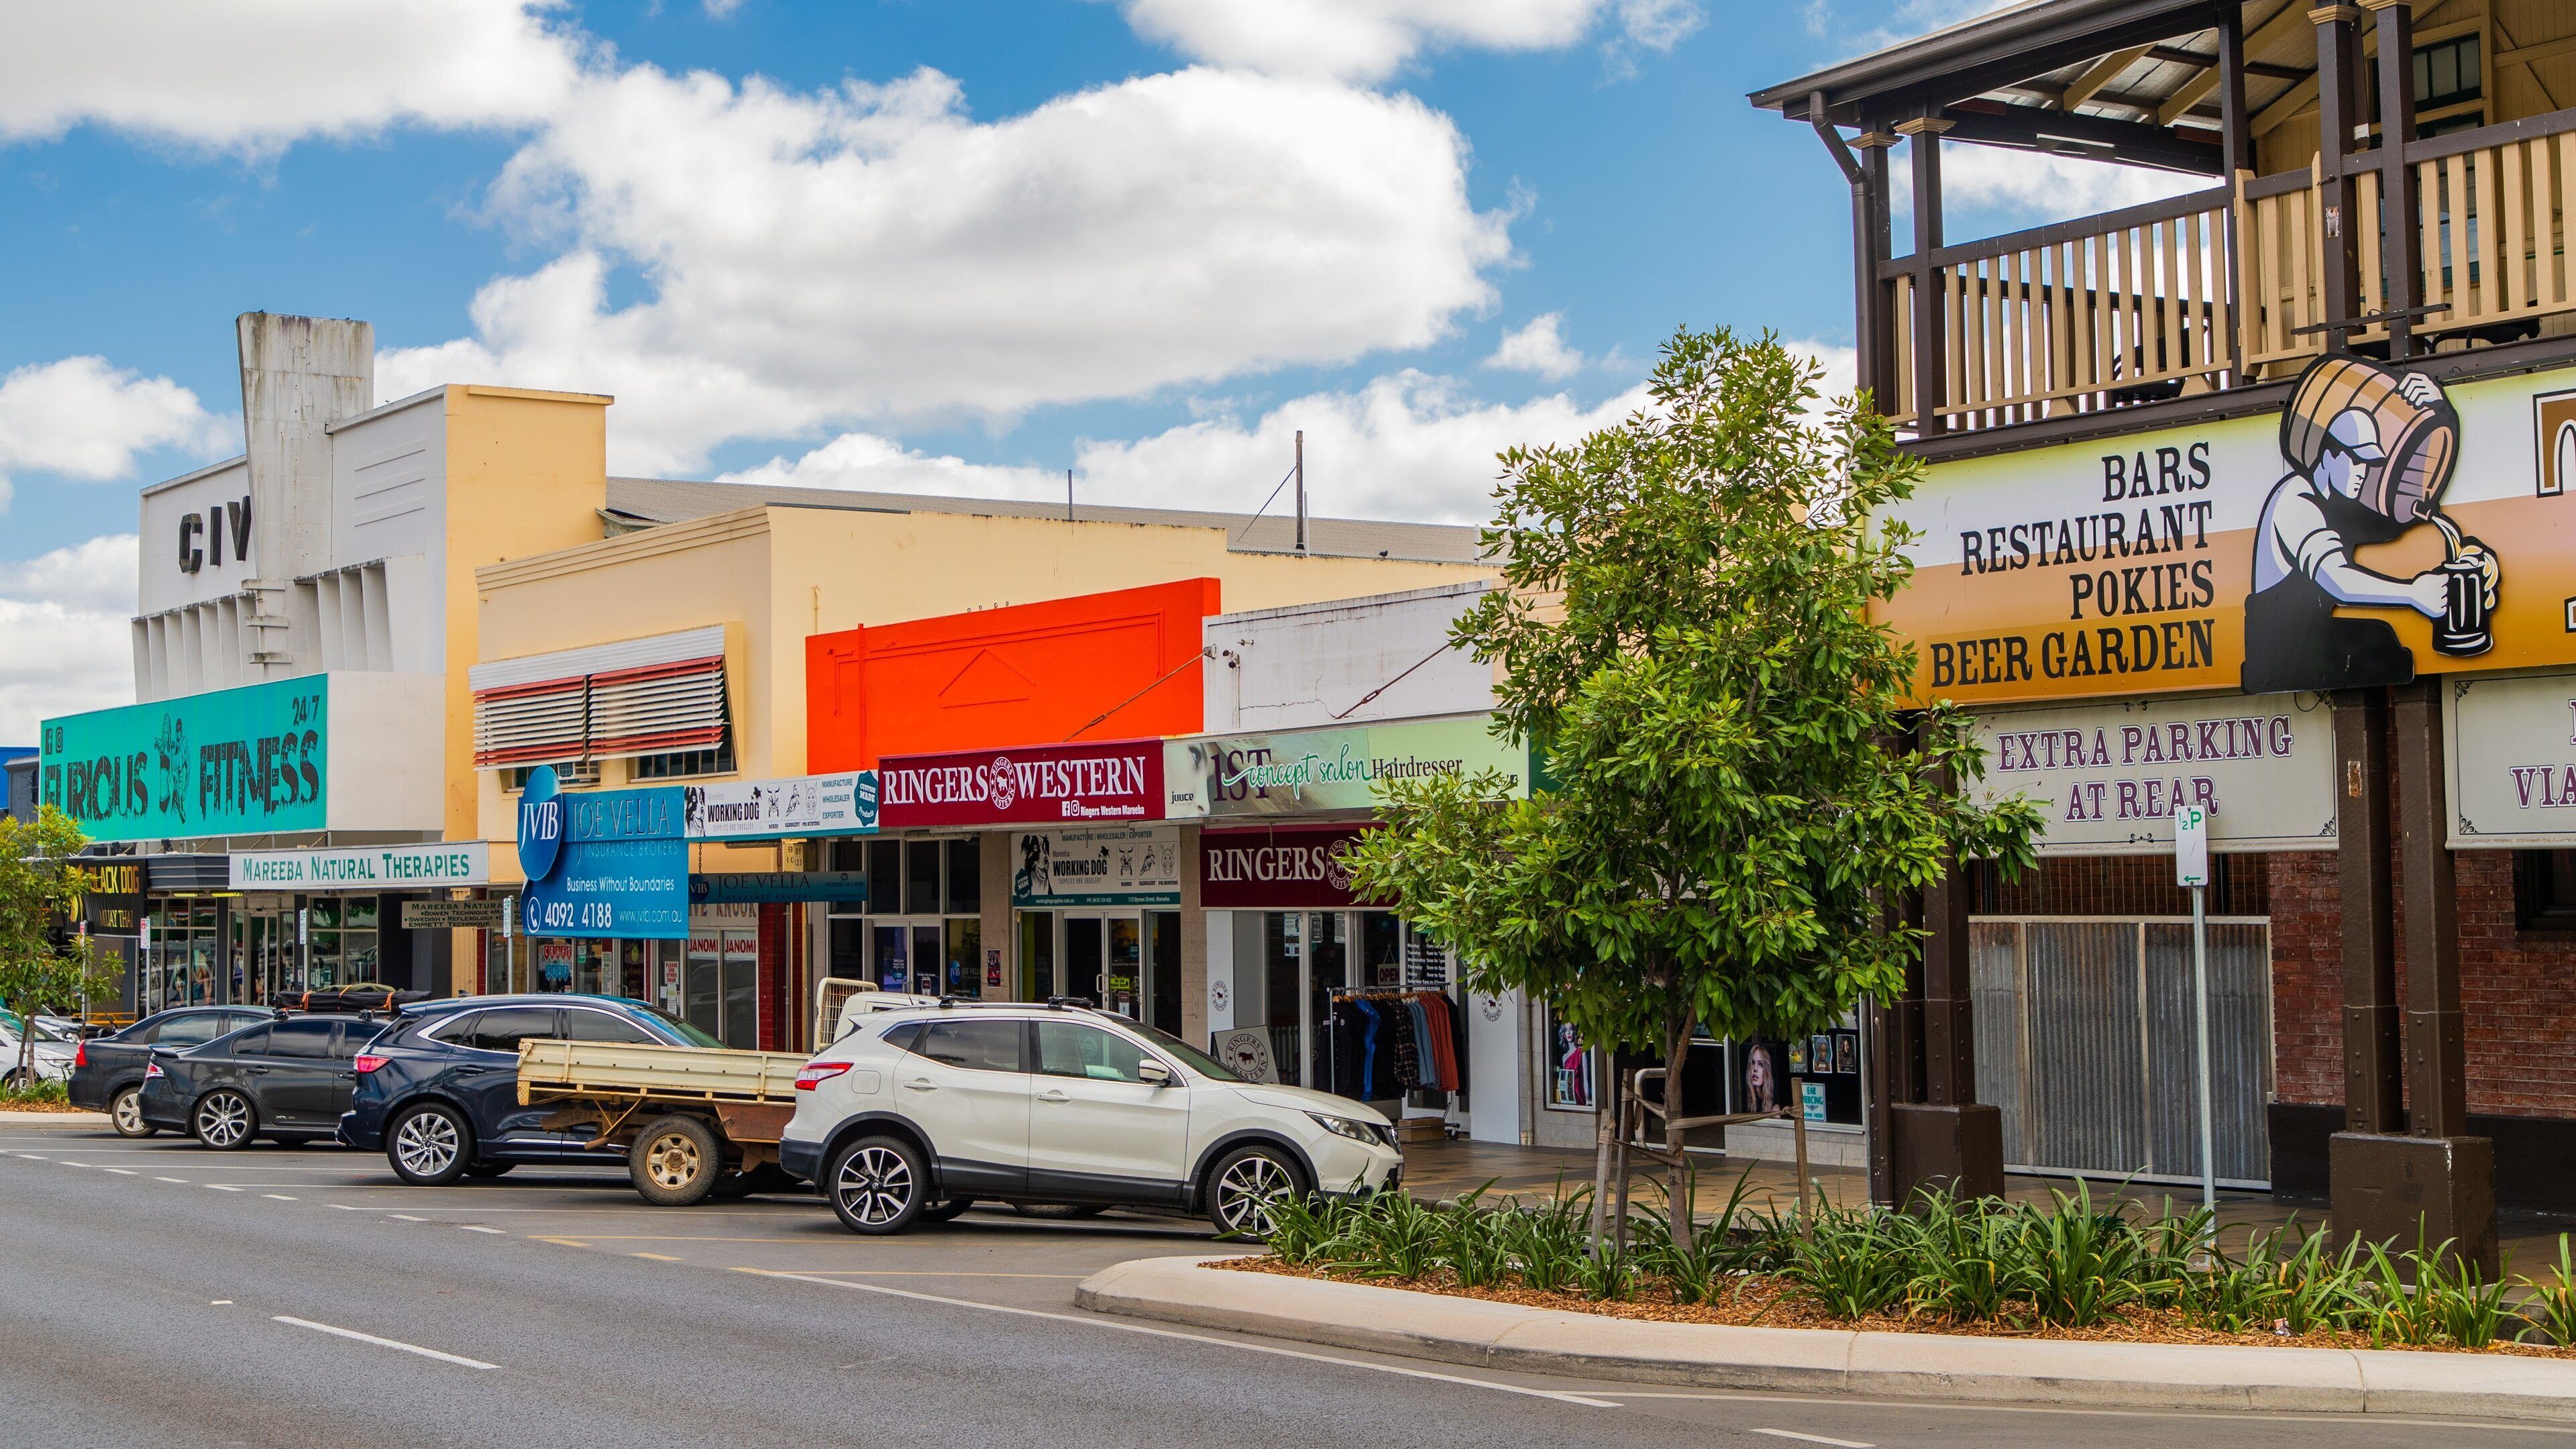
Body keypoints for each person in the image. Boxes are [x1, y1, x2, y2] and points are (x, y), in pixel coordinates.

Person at [2242, 374, 2496, 692]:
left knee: (2386, 647)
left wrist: (2440, 408)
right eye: (2357, 461)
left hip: (2309, 635)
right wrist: (2413, 594)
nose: (2363, 474)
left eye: (2369, 464)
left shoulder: (2340, 505)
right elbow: (2338, 580)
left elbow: (2404, 521)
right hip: (2279, 648)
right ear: (2331, 455)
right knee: (2382, 648)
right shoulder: (2296, 499)